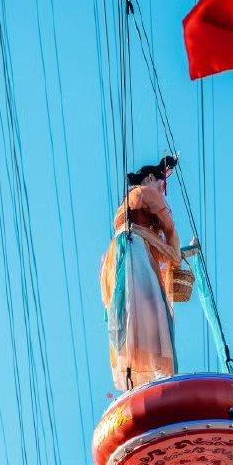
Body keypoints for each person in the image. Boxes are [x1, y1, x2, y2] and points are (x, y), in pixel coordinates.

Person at [100, 154, 186, 391]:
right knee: (149, 306)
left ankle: (135, 364)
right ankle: (148, 364)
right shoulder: (146, 193)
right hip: (135, 250)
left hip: (121, 253)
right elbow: (168, 225)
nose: (162, 190)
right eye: (160, 184)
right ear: (150, 178)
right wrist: (173, 248)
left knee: (130, 309)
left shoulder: (129, 202)